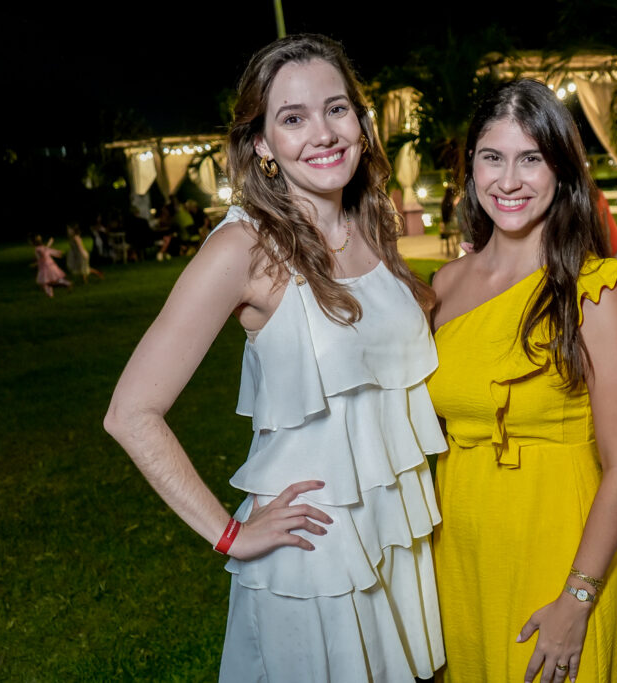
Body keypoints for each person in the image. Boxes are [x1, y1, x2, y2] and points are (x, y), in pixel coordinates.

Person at [104, 34, 446, 682]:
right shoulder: (243, 248)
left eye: (336, 108)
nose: (322, 132)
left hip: (395, 531)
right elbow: (131, 411)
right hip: (311, 555)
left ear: (361, 120)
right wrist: (231, 534)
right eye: (292, 118)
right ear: (261, 143)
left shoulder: (374, 223)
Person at [427, 79, 617, 683]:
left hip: (558, 542)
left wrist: (576, 600)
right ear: (470, 168)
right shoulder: (443, 287)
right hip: (461, 538)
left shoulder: (594, 291)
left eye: (531, 159)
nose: (509, 180)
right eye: (491, 157)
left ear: (562, 171)